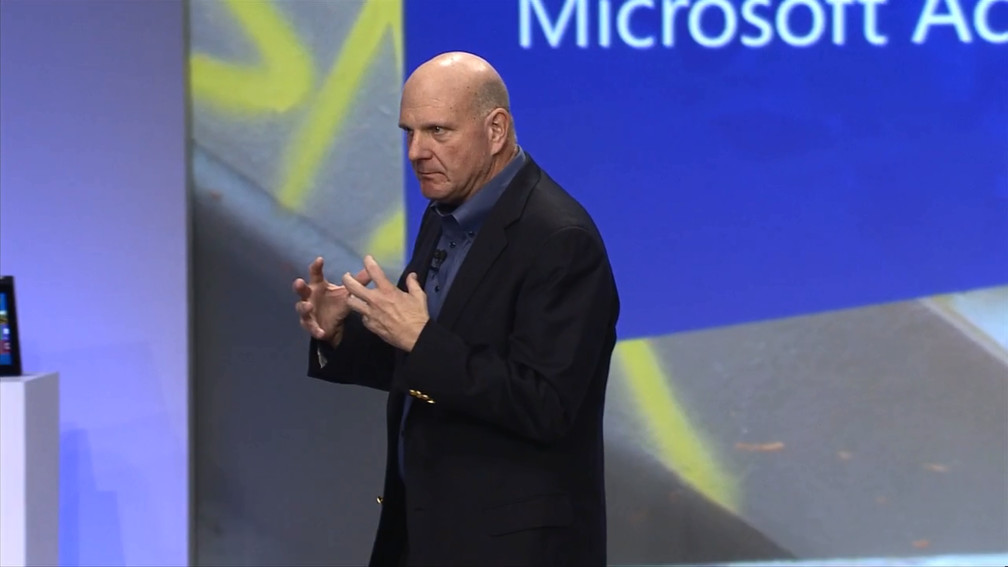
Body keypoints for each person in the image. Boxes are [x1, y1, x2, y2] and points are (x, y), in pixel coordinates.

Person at [292, 51, 619, 567]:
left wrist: (421, 339)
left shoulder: (560, 239)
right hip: (424, 537)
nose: (416, 152)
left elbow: (546, 405)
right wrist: (341, 334)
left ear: (496, 130)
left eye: (438, 131)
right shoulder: (443, 215)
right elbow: (423, 369)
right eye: (409, 132)